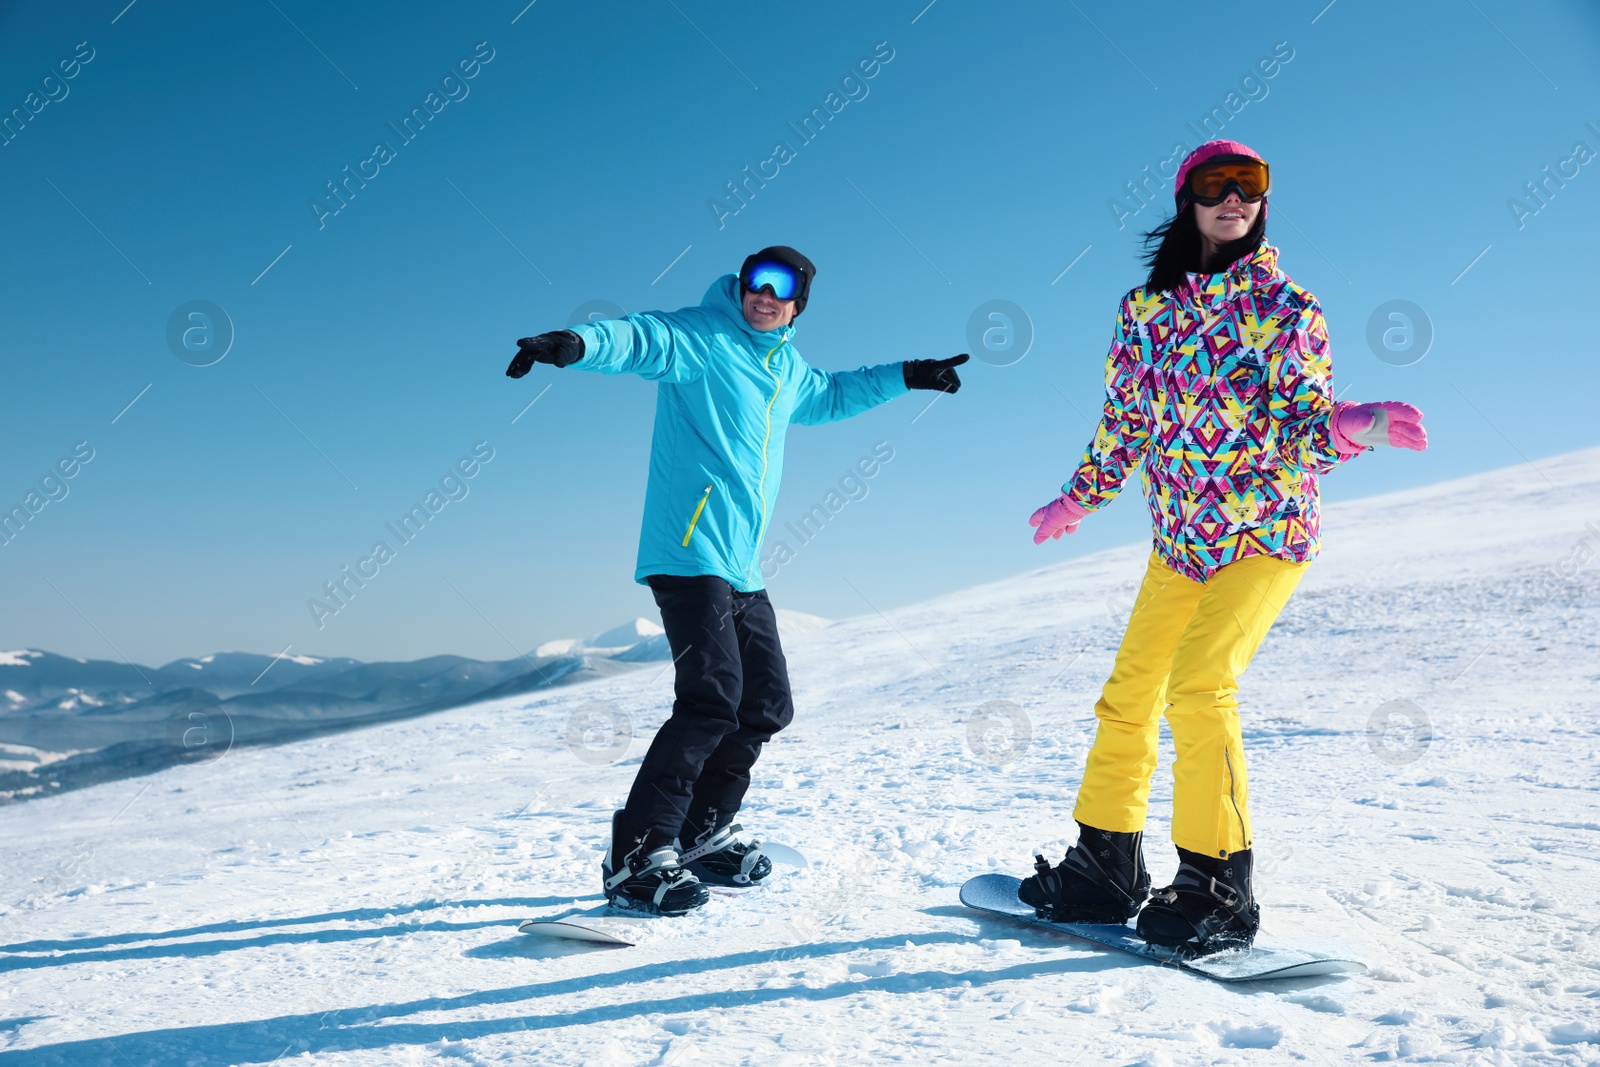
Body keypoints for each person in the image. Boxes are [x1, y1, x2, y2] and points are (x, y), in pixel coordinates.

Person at [1019, 141, 1428, 955]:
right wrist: (1079, 497)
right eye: (1217, 184)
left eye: (1251, 185)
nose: (1235, 197)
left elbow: (1305, 426)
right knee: (1129, 691)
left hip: (1266, 529)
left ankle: (1217, 883)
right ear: (1187, 201)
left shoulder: (1287, 306)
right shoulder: (1144, 312)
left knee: (1201, 684)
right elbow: (1126, 422)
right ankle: (1105, 864)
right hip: (1180, 541)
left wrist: (1351, 426)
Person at [507, 246, 968, 915]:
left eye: (781, 287)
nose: (764, 294)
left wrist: (909, 374)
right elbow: (638, 338)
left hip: (740, 565)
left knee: (765, 704)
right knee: (710, 698)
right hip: (690, 551)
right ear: (742, 284)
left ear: (798, 304)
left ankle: (699, 831)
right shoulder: (703, 338)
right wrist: (575, 343)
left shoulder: (786, 368)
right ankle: (638, 851)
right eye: (756, 279)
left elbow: (834, 394)